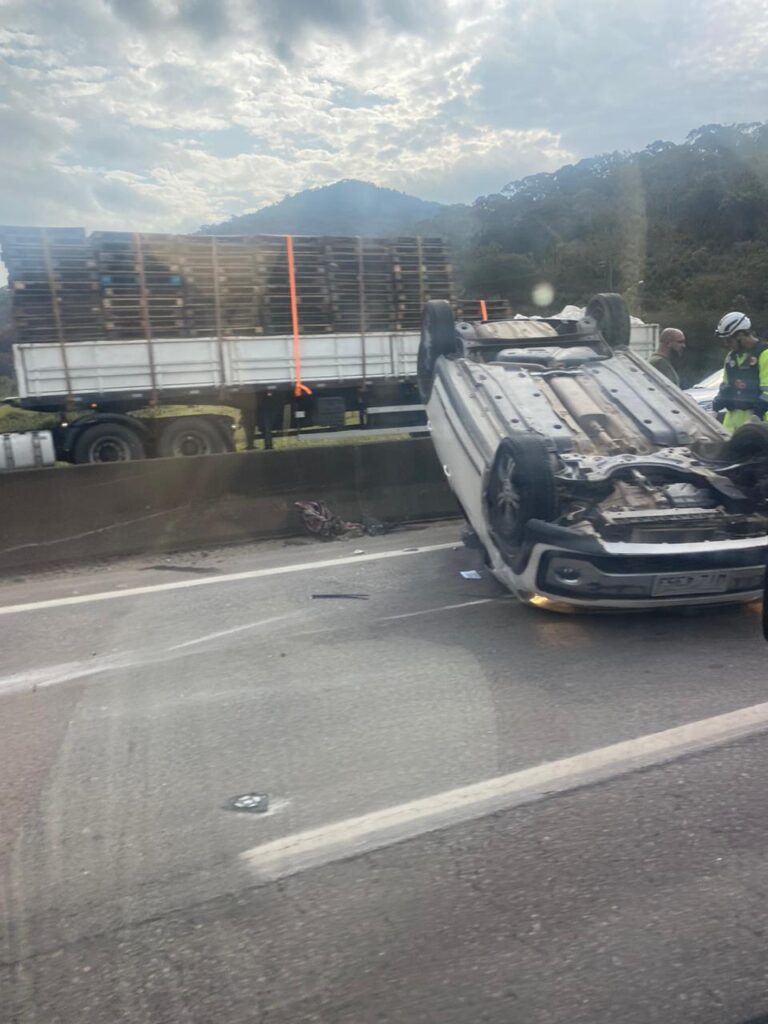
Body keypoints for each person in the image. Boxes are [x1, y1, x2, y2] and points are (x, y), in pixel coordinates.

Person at [712, 311, 768, 433]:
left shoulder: (764, 354)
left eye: (729, 340)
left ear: (742, 334)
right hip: (732, 424)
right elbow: (726, 387)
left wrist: (756, 416)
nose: (726, 345)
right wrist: (715, 408)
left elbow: (767, 392)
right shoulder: (731, 357)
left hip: (760, 425)